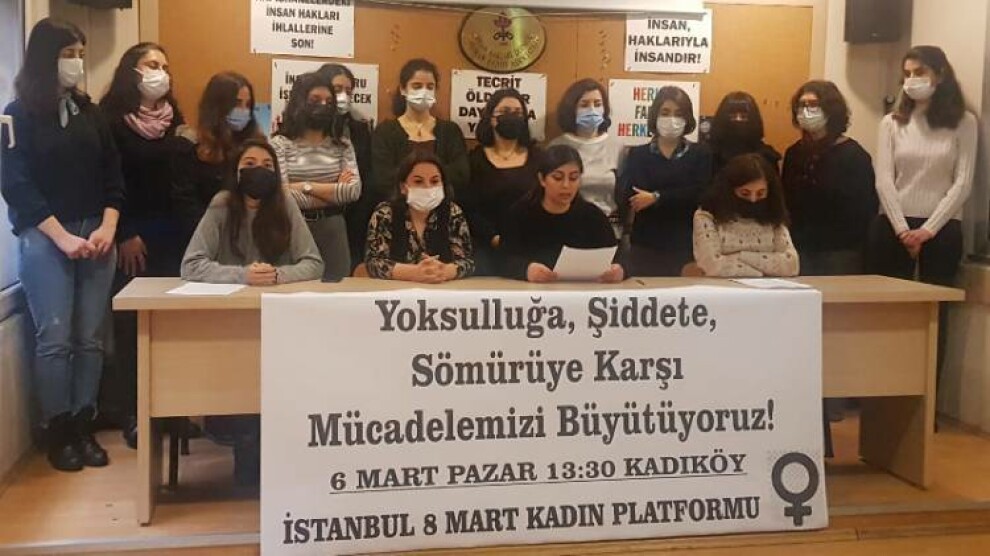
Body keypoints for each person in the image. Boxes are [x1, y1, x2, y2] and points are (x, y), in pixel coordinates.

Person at [1, 18, 123, 471]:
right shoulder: (16, 114)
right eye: (67, 54)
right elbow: (17, 186)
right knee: (55, 338)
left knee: (90, 338)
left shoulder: (90, 112)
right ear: (44, 58)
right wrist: (63, 237)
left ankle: (83, 423)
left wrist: (108, 227)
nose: (76, 63)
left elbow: (114, 175)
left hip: (97, 235)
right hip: (46, 237)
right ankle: (58, 431)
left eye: (80, 55)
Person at [866, 45, 977, 388]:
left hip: (941, 229)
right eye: (907, 74)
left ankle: (925, 397)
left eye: (920, 72)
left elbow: (963, 182)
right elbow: (884, 179)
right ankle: (882, 390)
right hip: (893, 225)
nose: (912, 80)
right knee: (887, 314)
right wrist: (903, 229)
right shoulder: (891, 123)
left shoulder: (964, 122)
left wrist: (926, 230)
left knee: (934, 316)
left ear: (940, 75)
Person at [98, 42, 188, 448]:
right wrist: (124, 232)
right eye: (152, 64)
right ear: (131, 71)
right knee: (134, 329)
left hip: (173, 239)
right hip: (131, 238)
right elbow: (109, 182)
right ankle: (135, 413)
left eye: (165, 65)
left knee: (172, 329)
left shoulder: (174, 120)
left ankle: (172, 412)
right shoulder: (110, 120)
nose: (160, 72)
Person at [181, 139, 324, 285]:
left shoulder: (285, 202)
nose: (259, 170)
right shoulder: (222, 203)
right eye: (250, 164)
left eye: (267, 165)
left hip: (274, 293)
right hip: (232, 295)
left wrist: (275, 274)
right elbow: (191, 266)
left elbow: (314, 264)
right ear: (236, 171)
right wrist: (243, 275)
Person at [783, 81, 877, 276]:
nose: (806, 110)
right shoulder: (794, 153)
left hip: (840, 251)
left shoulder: (854, 155)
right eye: (802, 105)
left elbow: (865, 209)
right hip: (799, 247)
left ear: (830, 109)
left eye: (813, 104)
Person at [272, 72, 360, 279]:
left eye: (329, 101)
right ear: (299, 101)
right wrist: (334, 192)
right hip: (292, 226)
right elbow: (281, 196)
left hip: (333, 229)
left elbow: (353, 191)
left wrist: (303, 186)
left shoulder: (343, 145)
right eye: (315, 100)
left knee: (337, 292)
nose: (323, 105)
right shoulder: (280, 144)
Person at [617, 86, 712, 276]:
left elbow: (700, 194)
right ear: (655, 115)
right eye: (665, 112)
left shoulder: (700, 154)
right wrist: (676, 195)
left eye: (678, 113)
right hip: (645, 245)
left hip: (687, 245)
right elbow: (633, 196)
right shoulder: (637, 154)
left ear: (687, 118)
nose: (672, 119)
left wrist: (656, 197)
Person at [501, 145, 624, 283]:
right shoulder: (520, 214)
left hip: (583, 290)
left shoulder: (592, 216)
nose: (566, 185)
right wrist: (526, 270)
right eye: (558, 178)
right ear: (542, 179)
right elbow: (503, 260)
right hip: (532, 292)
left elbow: (618, 257)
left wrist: (619, 269)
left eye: (573, 178)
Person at [371, 59, 469, 211]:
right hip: (397, 211)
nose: (424, 92)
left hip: (443, 211)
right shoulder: (385, 131)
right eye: (417, 86)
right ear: (403, 89)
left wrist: (417, 182)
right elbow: (382, 177)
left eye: (430, 87)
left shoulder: (450, 131)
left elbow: (461, 174)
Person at [463, 88, 543, 275]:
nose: (512, 117)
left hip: (533, 246)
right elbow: (469, 208)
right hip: (486, 250)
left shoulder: (539, 158)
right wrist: (494, 238)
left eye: (518, 113)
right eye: (505, 111)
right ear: (491, 118)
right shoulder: (474, 160)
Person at [172, 72, 262, 236]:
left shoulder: (254, 145)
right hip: (203, 235)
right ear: (218, 106)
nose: (244, 111)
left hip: (247, 235)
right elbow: (185, 205)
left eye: (248, 105)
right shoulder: (188, 146)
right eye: (237, 104)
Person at [365, 151, 474, 282]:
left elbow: (467, 261)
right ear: (403, 187)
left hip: (442, 288)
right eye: (418, 181)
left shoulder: (453, 212)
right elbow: (373, 263)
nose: (427, 187)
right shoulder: (385, 213)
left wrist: (444, 270)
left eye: (434, 181)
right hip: (397, 289)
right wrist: (414, 273)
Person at [693, 154, 799, 277]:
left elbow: (791, 265)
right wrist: (762, 272)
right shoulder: (707, 216)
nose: (753, 199)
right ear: (730, 190)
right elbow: (712, 266)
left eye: (760, 193)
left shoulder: (773, 214)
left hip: (772, 288)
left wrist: (740, 256)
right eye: (745, 193)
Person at [316, 63, 375, 270]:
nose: (343, 96)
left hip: (352, 216)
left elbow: (363, 175)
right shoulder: (305, 127)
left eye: (348, 91)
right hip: (312, 215)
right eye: (337, 89)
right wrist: (334, 187)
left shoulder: (359, 127)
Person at [549, 79, 625, 235]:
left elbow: (624, 195)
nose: (592, 110)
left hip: (608, 229)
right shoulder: (557, 146)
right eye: (584, 105)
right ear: (572, 109)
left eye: (597, 104)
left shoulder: (617, 147)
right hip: (566, 228)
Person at [709, 91, 781, 175]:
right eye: (733, 116)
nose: (738, 120)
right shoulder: (709, 155)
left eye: (744, 116)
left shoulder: (767, 157)